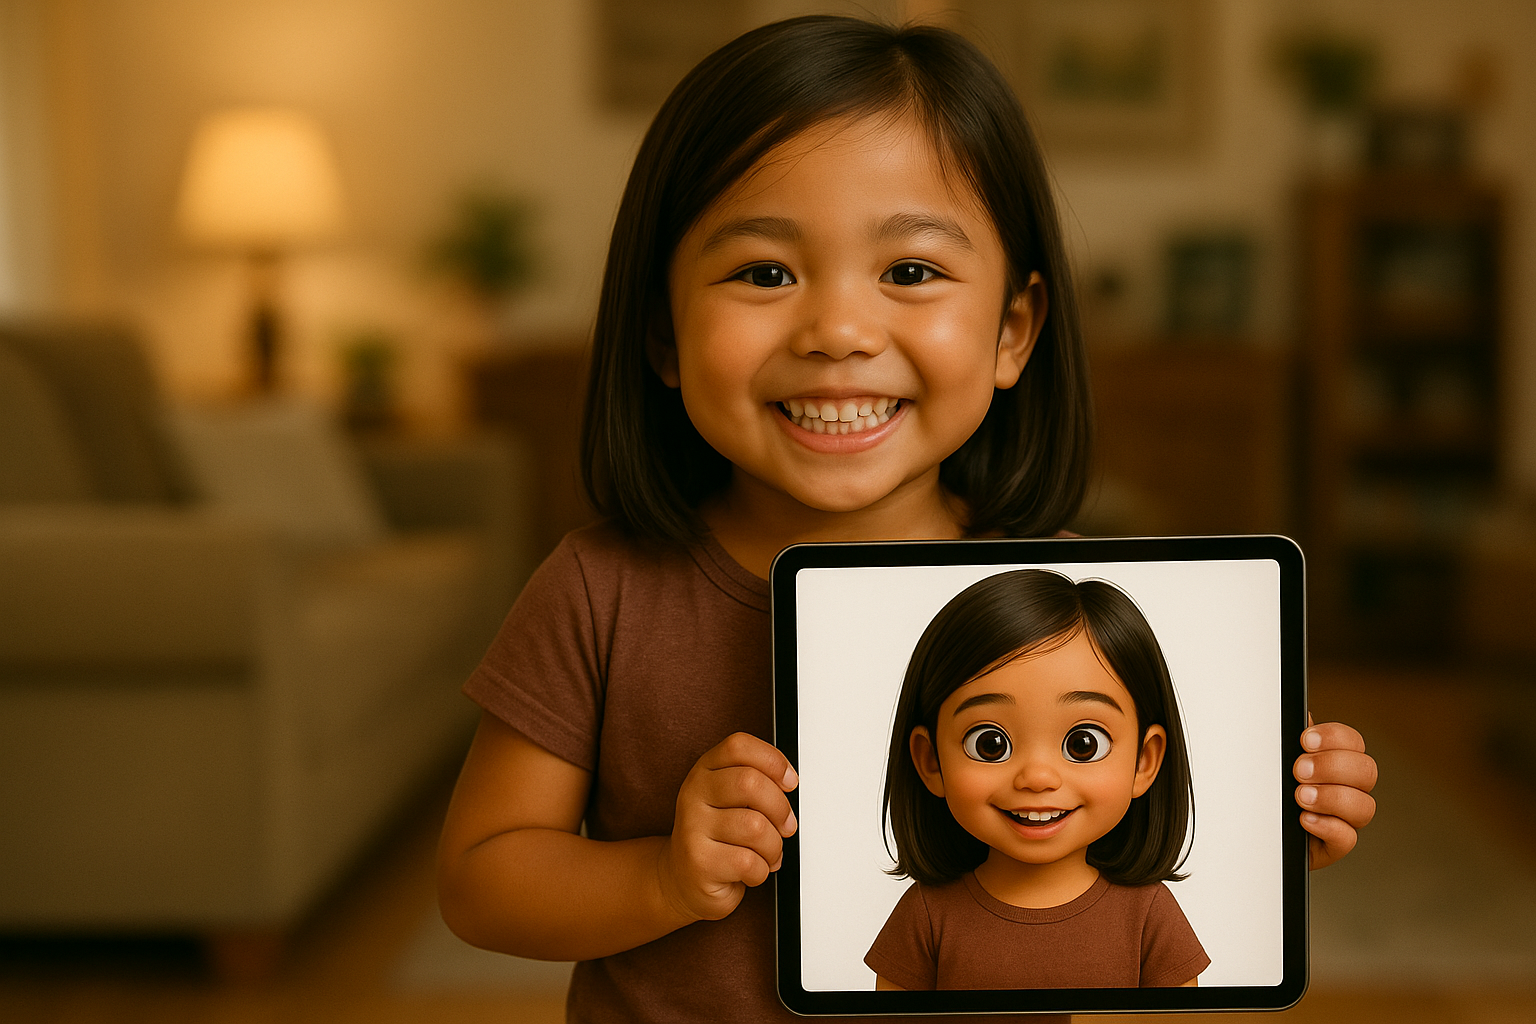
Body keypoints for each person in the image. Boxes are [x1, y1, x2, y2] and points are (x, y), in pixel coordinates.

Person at [436, 15, 1378, 1024]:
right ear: (664, 333)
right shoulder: (599, 590)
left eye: (911, 272)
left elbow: (1132, 857)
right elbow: (481, 878)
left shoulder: (1064, 606)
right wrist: (662, 876)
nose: (838, 330)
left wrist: (1279, 814)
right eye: (764, 272)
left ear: (1013, 331)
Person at [867, 569, 1207, 990]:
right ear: (930, 761)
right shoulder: (926, 914)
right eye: (990, 744)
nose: (1037, 777)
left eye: (1084, 744)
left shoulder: (1149, 914)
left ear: (1145, 761)